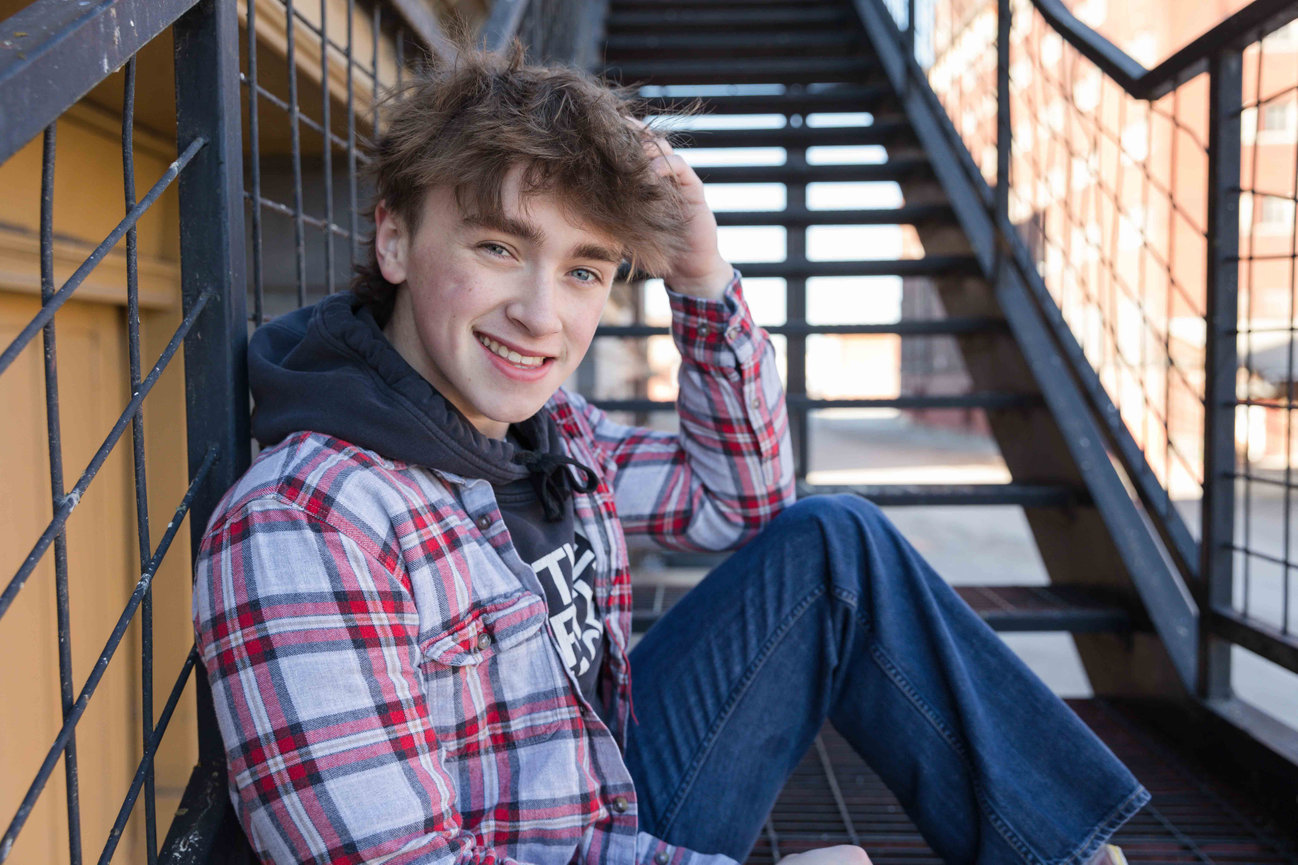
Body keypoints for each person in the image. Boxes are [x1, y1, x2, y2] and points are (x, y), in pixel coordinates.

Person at [192, 44, 1145, 865]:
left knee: (833, 544)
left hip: (607, 795)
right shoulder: (308, 522)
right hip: (543, 840)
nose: (541, 313)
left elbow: (745, 503)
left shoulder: (545, 432)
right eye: (496, 246)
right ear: (394, 238)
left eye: (584, 270)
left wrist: (701, 276)